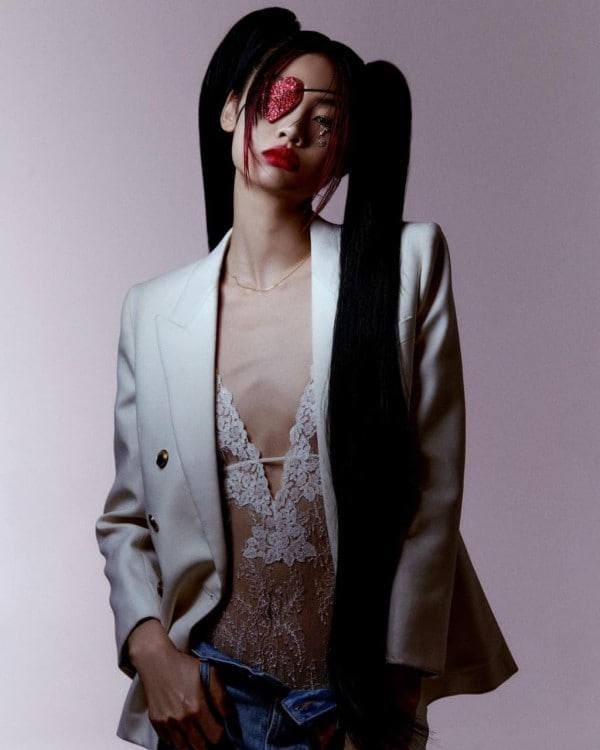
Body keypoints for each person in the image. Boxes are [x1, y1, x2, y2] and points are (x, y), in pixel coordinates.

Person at [95, 8, 518, 750]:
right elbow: (128, 519)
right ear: (232, 109)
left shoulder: (403, 268)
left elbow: (431, 494)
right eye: (279, 98)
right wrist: (152, 651)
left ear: (343, 156)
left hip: (346, 710)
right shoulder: (152, 312)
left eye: (325, 122)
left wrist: (389, 699)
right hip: (204, 708)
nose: (293, 130)